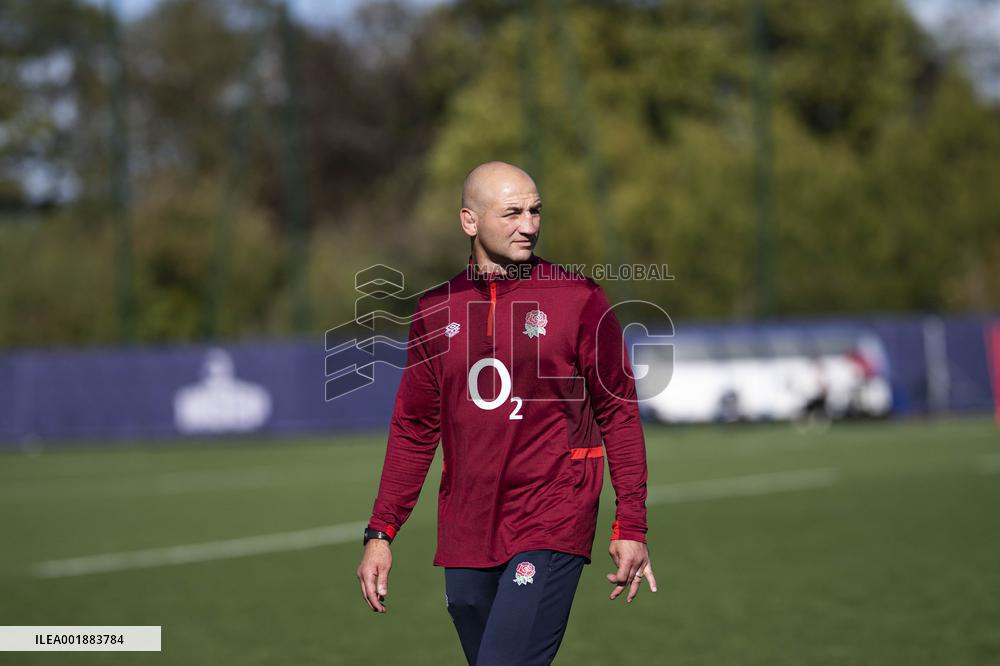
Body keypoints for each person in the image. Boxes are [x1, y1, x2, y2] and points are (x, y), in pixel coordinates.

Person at [356, 161, 655, 664]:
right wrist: (380, 533)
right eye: (512, 212)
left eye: (535, 211)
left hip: (552, 513)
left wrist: (631, 524)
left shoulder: (579, 299)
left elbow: (618, 412)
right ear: (469, 221)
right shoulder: (434, 310)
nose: (529, 225)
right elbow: (414, 429)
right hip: (467, 526)